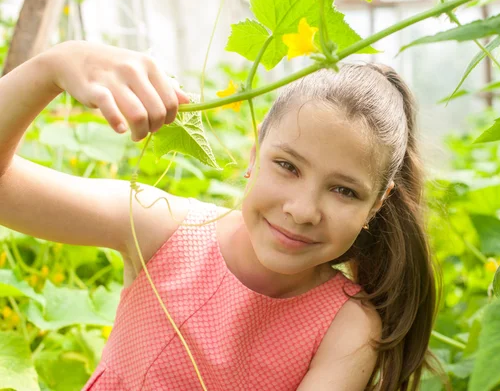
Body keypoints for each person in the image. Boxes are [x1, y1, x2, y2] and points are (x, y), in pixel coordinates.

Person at [0, 41, 440, 391]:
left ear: (377, 204)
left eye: (343, 191)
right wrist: (51, 67)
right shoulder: (162, 228)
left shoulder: (348, 327)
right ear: (254, 155)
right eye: (287, 166)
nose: (303, 210)